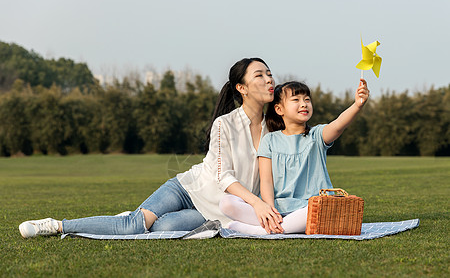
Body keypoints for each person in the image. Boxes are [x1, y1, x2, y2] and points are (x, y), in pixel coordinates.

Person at [19, 57, 284, 238]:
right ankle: (56, 225)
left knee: (162, 228)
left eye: (269, 74)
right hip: (187, 189)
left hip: (212, 210)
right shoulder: (223, 125)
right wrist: (257, 204)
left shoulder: (274, 127)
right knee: (133, 226)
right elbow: (222, 175)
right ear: (242, 88)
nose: (269, 79)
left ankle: (139, 215)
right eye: (259, 75)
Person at [220, 79, 369, 235]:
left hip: (308, 207)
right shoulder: (270, 140)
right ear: (279, 109)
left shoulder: (316, 136)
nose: (304, 104)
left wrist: (357, 105)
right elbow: (266, 180)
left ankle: (261, 231)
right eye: (296, 100)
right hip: (278, 208)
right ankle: (276, 225)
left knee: (318, 210)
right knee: (227, 203)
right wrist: (269, 210)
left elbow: (338, 125)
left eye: (307, 99)